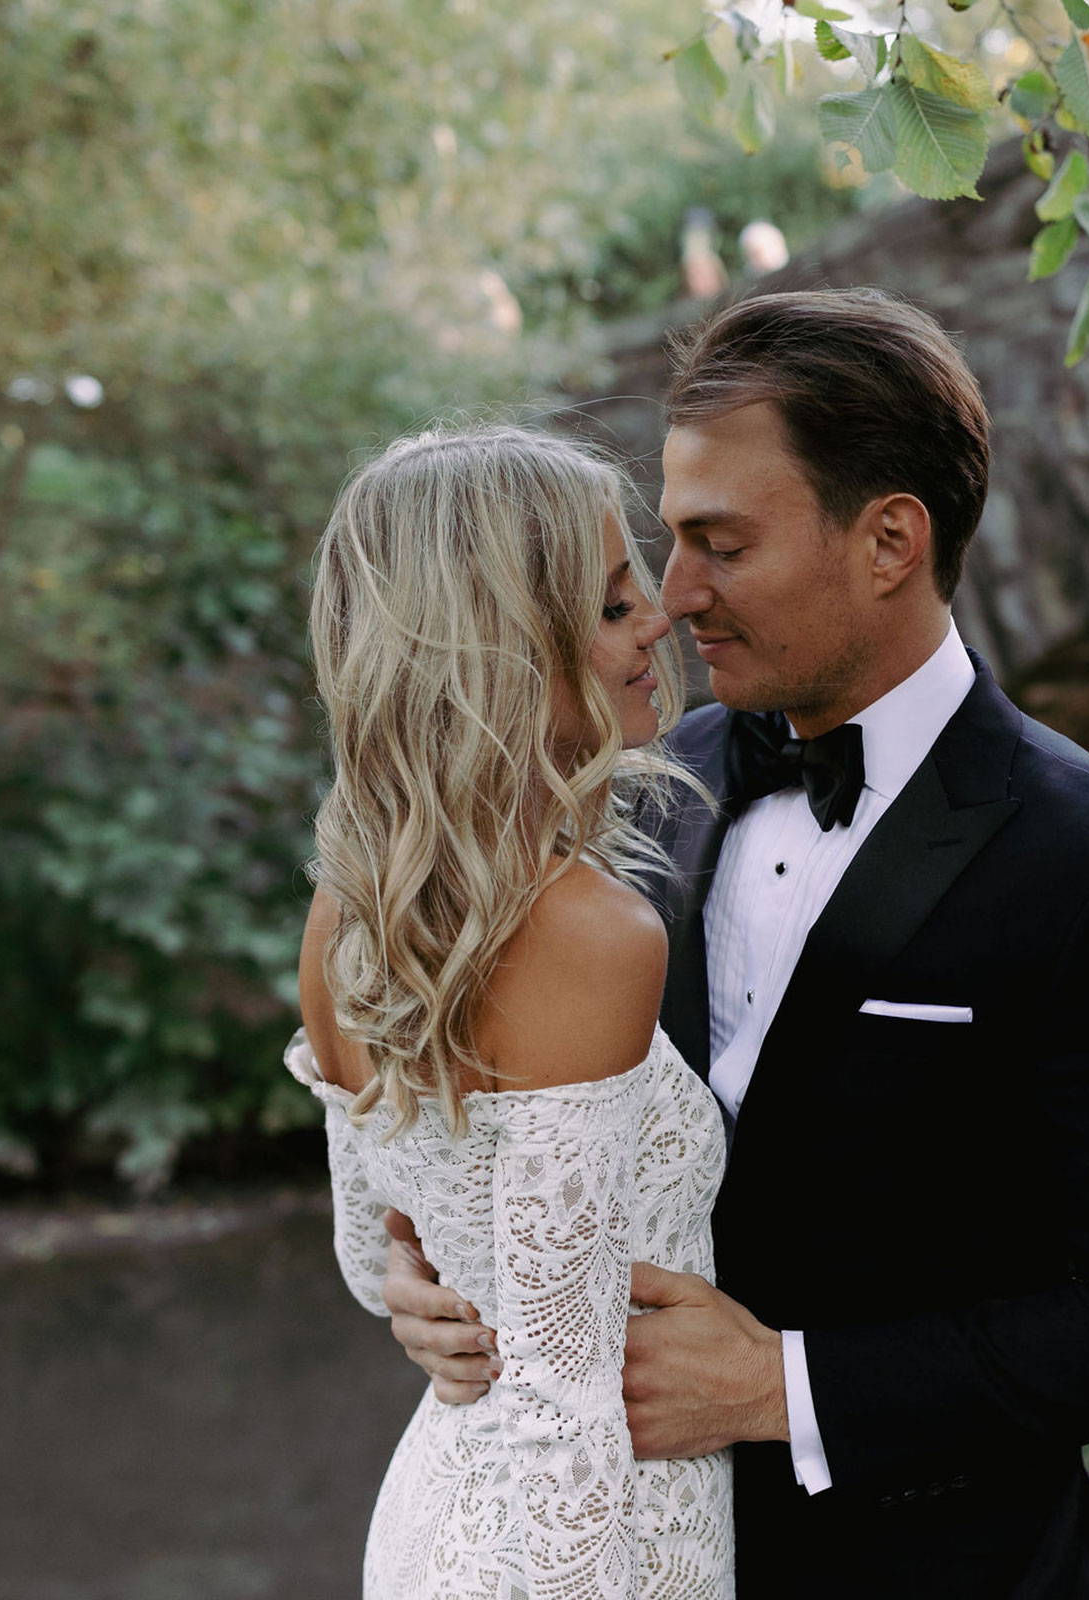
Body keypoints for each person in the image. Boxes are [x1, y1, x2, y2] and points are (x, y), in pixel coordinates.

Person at [380, 288, 1089, 1598]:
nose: (674, 597)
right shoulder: (633, 788)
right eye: (671, 544)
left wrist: (780, 1386)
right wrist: (439, 1280)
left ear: (889, 540)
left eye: (720, 545)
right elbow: (511, 1112)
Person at [283, 424, 735, 1598]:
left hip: (447, 1511)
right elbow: (564, 1405)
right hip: (579, 1552)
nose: (659, 621)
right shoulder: (592, 936)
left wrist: (429, 1302)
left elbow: (367, 1254)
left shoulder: (347, 917)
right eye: (612, 603)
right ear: (500, 650)